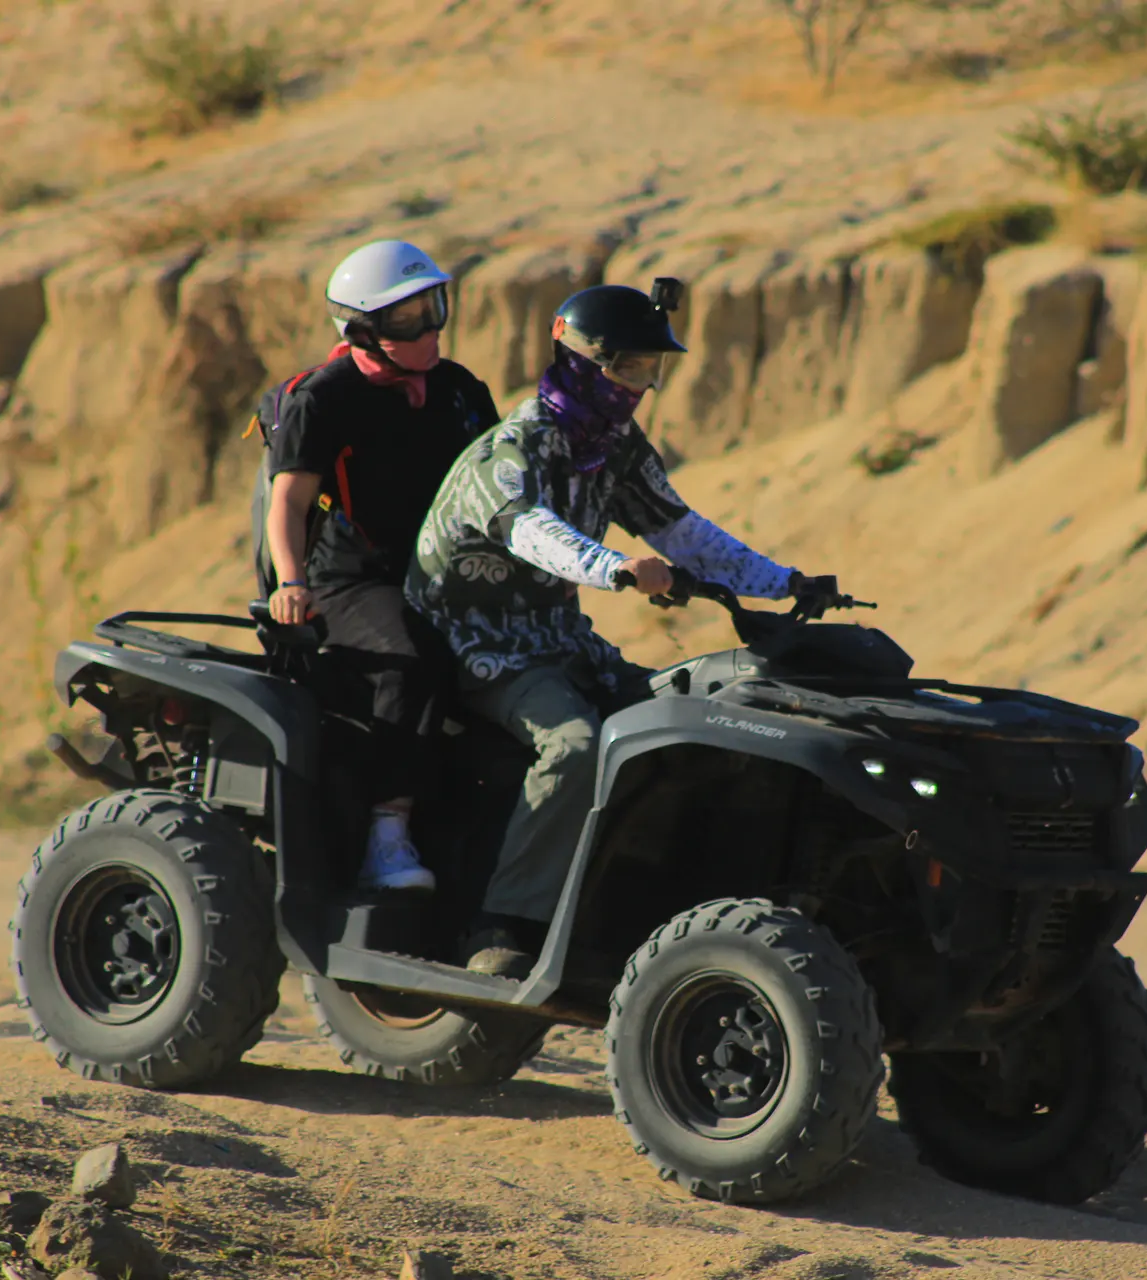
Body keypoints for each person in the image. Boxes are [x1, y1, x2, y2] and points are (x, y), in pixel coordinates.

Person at [407, 280, 834, 977]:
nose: (640, 385)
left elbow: (684, 532)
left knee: (687, 720)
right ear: (581, 361)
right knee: (575, 744)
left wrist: (788, 582)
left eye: (649, 369)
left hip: (558, 640)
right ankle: (504, 925)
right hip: (478, 646)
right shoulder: (509, 451)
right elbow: (533, 534)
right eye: (627, 367)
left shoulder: (614, 447)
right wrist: (617, 569)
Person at [259, 240, 500, 892]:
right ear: (362, 329)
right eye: (406, 317)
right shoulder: (326, 397)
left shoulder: (460, 391)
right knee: (413, 656)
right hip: (351, 581)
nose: (429, 327)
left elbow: (502, 488)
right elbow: (290, 502)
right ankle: (385, 837)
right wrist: (291, 582)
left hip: (445, 575)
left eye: (434, 306)